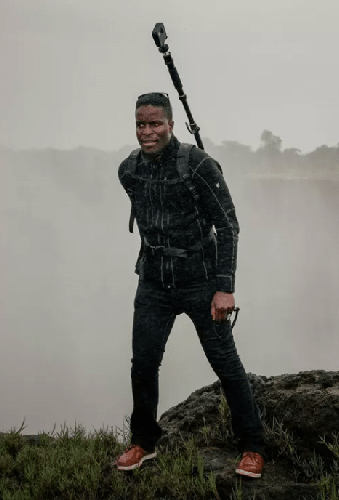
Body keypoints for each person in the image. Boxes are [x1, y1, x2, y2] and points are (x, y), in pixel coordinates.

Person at [115, 92, 265, 478]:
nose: (146, 132)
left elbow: (228, 226)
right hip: (153, 282)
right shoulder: (128, 170)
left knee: (225, 364)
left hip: (201, 281)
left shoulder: (199, 166)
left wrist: (224, 286)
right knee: (143, 365)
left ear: (170, 124)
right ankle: (144, 442)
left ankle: (252, 447)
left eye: (154, 124)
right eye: (140, 124)